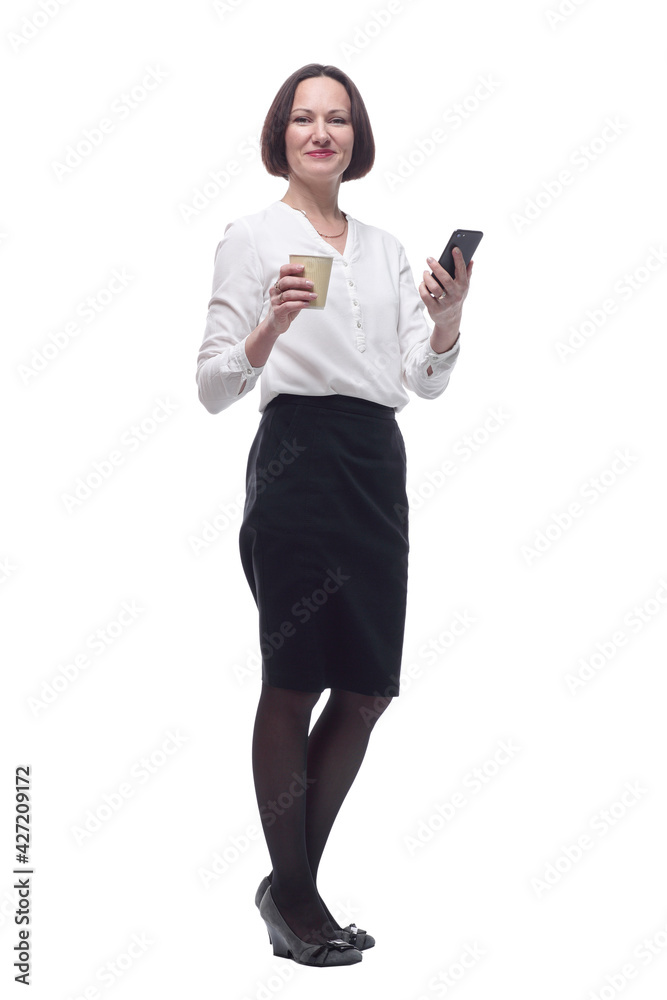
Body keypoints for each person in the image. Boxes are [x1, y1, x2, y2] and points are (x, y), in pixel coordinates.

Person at [195, 63, 473, 968]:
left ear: (358, 136)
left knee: (364, 686)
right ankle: (300, 899)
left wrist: (446, 320)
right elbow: (210, 387)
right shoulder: (251, 235)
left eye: (339, 120)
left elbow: (417, 381)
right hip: (296, 458)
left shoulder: (387, 249)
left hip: (372, 462)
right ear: (280, 133)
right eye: (306, 120)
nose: (323, 134)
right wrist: (268, 328)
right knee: (295, 675)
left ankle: (287, 889)